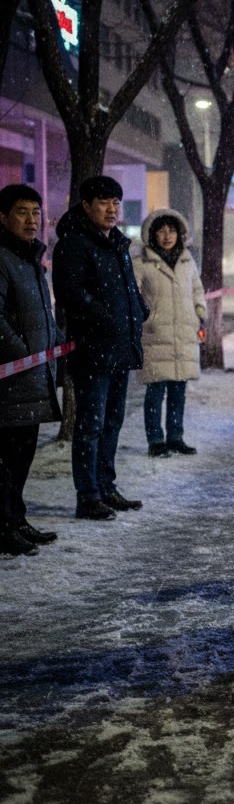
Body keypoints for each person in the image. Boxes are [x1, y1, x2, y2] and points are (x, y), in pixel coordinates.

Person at [52, 175, 148, 521]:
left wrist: (139, 310)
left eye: (116, 202)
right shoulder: (75, 244)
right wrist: (108, 320)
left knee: (112, 421)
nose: (112, 209)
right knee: (90, 426)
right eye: (105, 202)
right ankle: (88, 495)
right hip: (94, 349)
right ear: (87, 206)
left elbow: (128, 287)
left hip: (119, 347)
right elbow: (72, 294)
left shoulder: (117, 244)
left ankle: (107, 486)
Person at [0, 184, 62, 557]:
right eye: (22, 212)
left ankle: (16, 519)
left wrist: (56, 343)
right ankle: (4, 526)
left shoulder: (31, 259)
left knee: (22, 457)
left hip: (32, 376)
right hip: (11, 379)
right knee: (6, 460)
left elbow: (43, 314)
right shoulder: (3, 259)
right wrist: (24, 354)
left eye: (36, 213)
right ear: (3, 217)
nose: (31, 220)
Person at [132, 209, 207, 457]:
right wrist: (147, 318)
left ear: (179, 233)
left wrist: (200, 310)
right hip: (155, 335)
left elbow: (197, 288)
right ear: (152, 234)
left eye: (171, 230)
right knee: (155, 390)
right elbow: (134, 296)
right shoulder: (142, 262)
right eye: (161, 230)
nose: (167, 236)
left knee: (178, 390)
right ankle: (155, 440)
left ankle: (176, 437)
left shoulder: (186, 260)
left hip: (184, 333)